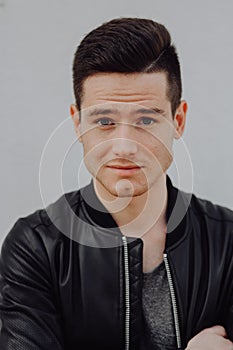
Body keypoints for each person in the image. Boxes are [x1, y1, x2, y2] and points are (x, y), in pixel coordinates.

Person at [0, 17, 233, 350]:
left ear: (177, 121)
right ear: (78, 123)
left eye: (146, 120)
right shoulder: (36, 246)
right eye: (105, 121)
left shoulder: (227, 242)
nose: (124, 146)